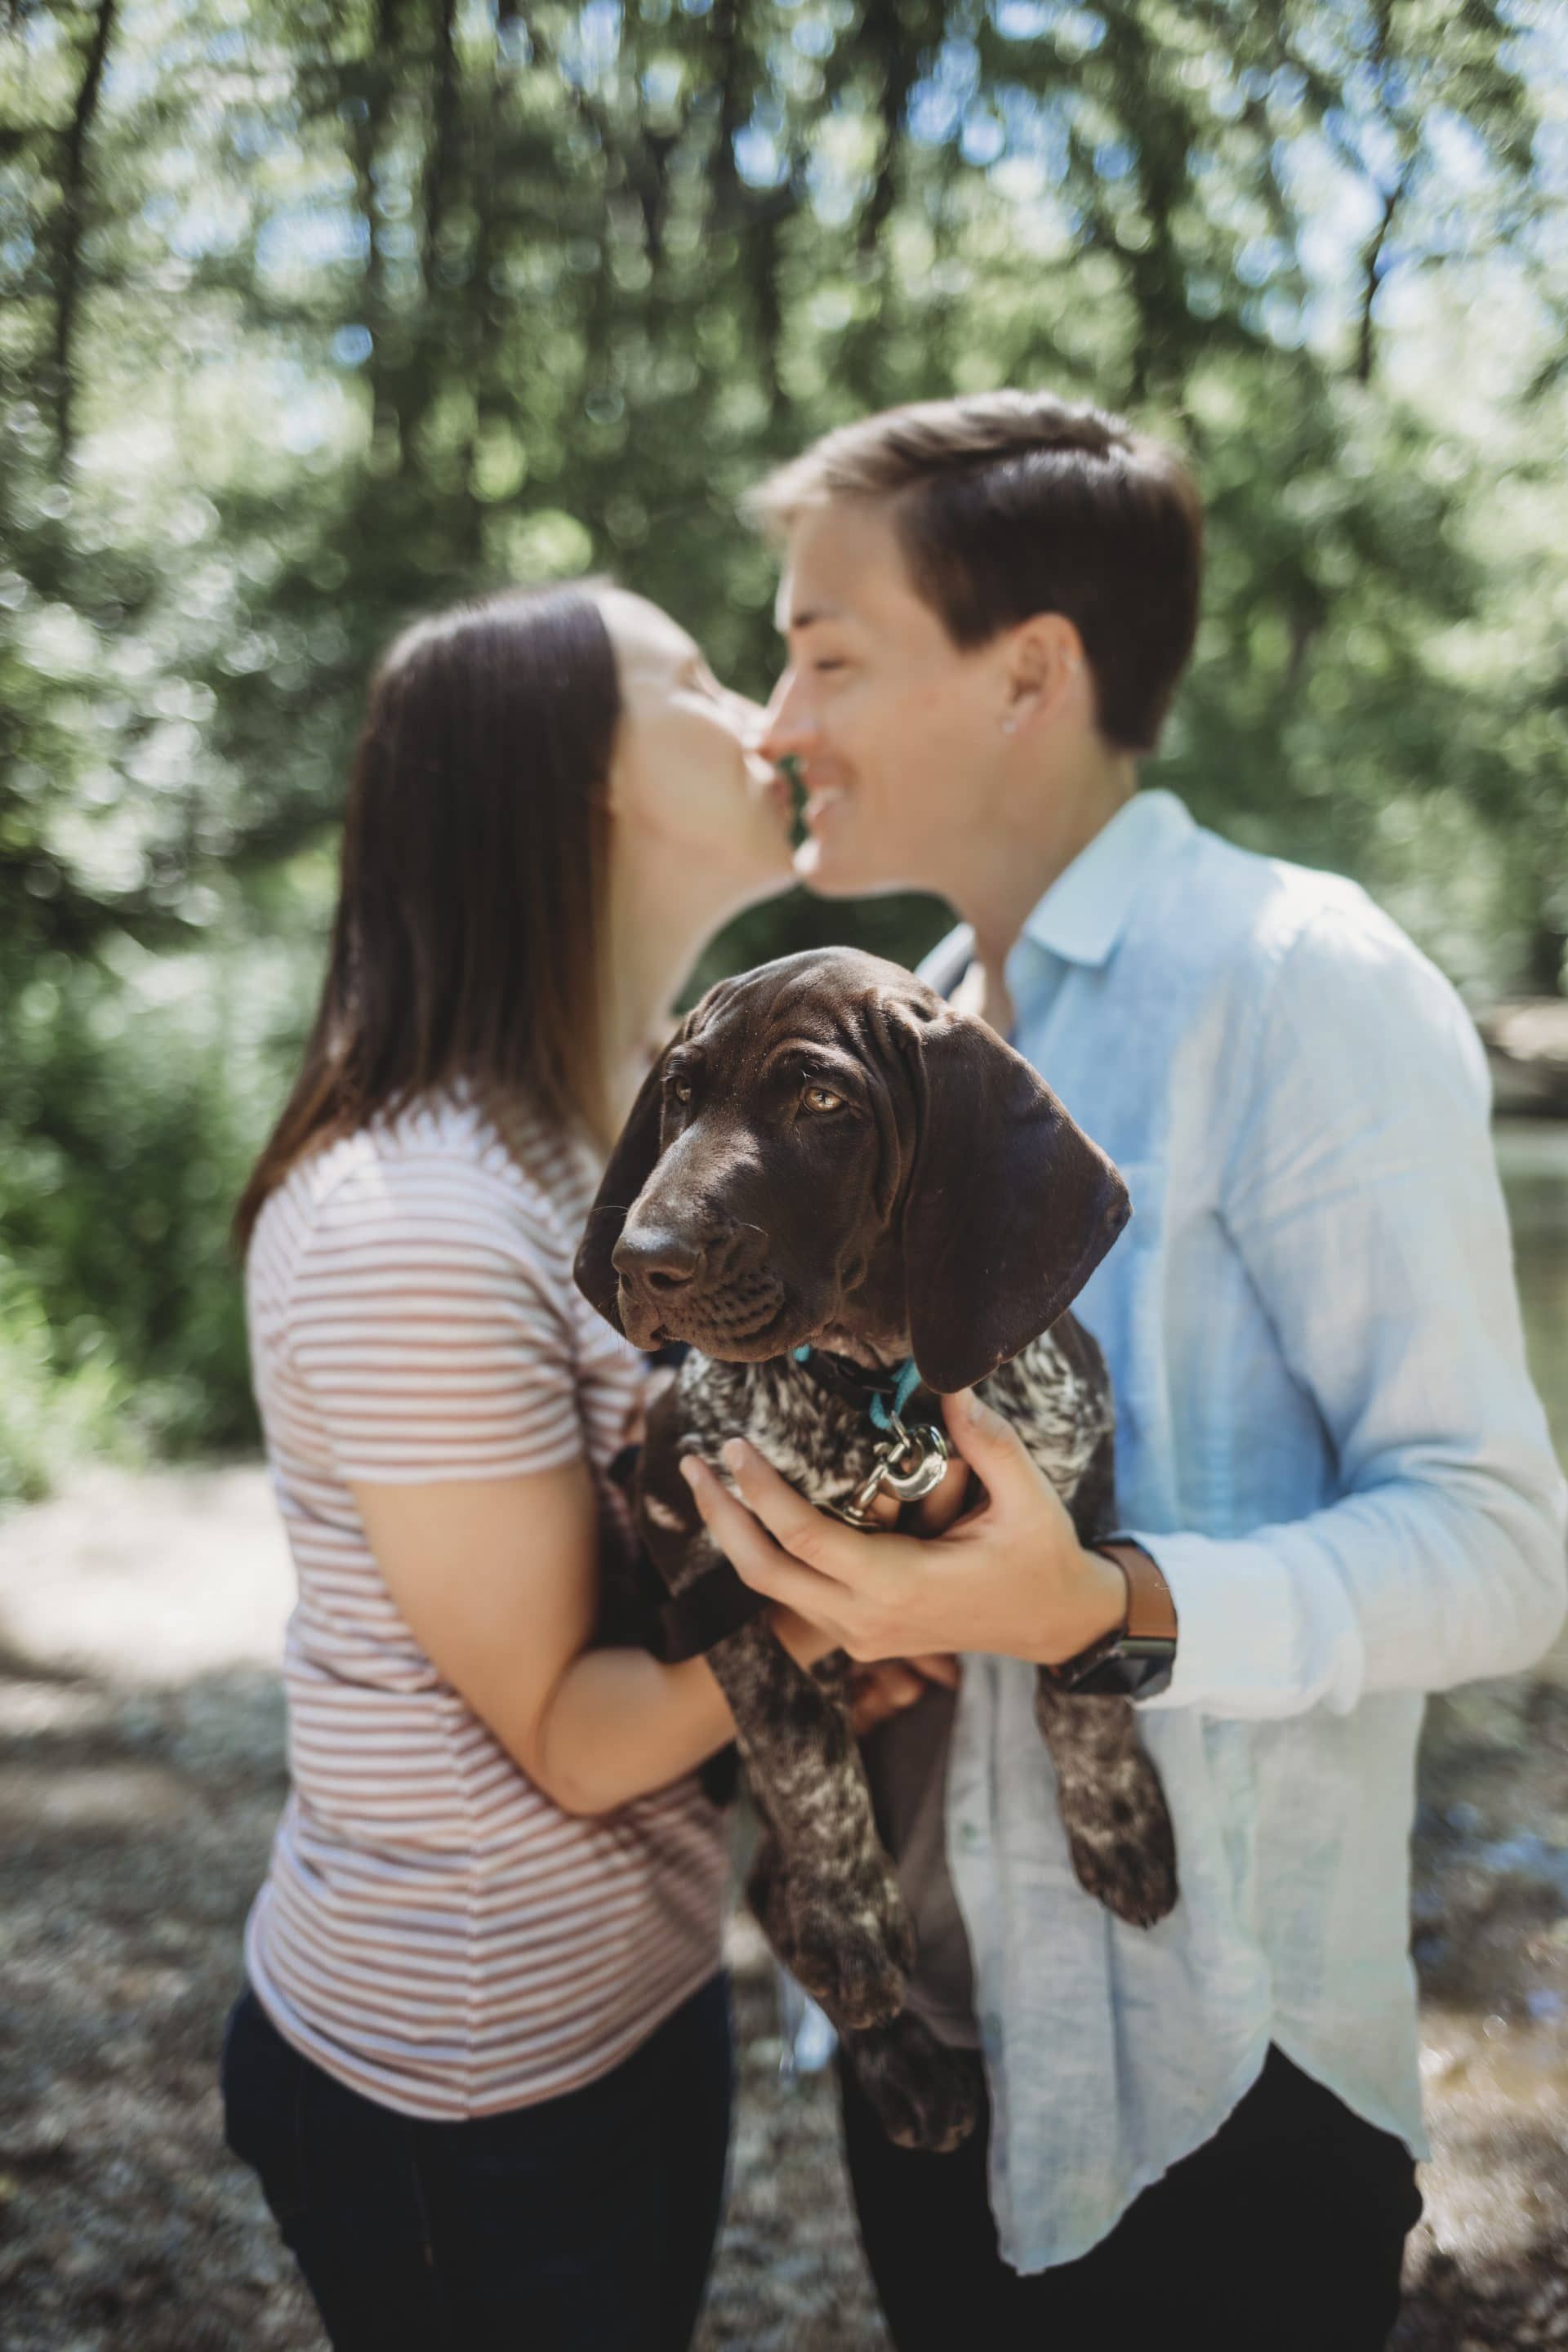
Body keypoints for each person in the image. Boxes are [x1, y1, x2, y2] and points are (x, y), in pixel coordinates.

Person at [676, 391, 1568, 2350]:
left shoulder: (1294, 977)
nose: (771, 719)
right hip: (929, 2058)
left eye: (824, 651)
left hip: (1217, 2093)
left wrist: (1107, 1610)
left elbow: (1504, 1546)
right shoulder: (888, 1040)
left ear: (1032, 673)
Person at [220, 581, 831, 2352]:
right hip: (466, 2083)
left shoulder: (620, 1128)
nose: (769, 717)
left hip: (630, 1997)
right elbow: (565, 1729)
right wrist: (852, 1615)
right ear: (582, 791)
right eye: (706, 682)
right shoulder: (411, 1219)